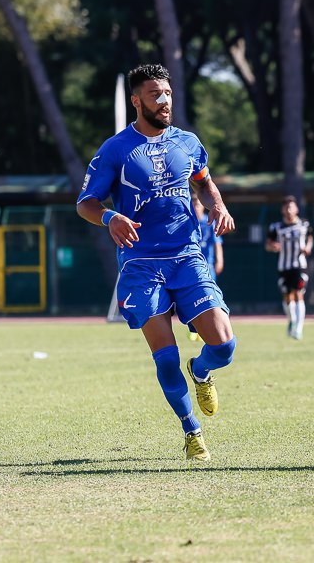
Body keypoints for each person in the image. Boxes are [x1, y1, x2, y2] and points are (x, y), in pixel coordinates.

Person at [76, 64, 237, 461]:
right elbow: (86, 204)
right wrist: (110, 217)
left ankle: (200, 371)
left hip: (187, 255)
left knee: (225, 344)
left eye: (166, 93)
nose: (164, 101)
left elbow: (202, 180)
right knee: (164, 357)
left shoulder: (187, 142)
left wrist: (217, 205)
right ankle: (191, 430)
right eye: (154, 95)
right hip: (141, 263)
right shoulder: (115, 149)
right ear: (136, 101)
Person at [266, 196, 313, 339]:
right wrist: (272, 247)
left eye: (291, 207)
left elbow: (310, 239)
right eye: (286, 207)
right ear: (282, 210)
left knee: (299, 294)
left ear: (296, 209)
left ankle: (298, 328)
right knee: (288, 296)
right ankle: (292, 321)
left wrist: (308, 248)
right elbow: (268, 244)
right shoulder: (276, 227)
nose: (289, 210)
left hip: (300, 265)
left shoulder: (304, 225)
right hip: (284, 266)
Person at [188, 193, 224, 341]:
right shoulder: (186, 223)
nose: (196, 207)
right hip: (188, 267)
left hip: (206, 266)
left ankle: (209, 329)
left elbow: (217, 244)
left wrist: (219, 261)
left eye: (198, 204)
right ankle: (193, 328)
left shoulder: (209, 222)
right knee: (189, 298)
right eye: (193, 205)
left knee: (209, 298)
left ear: (203, 207)